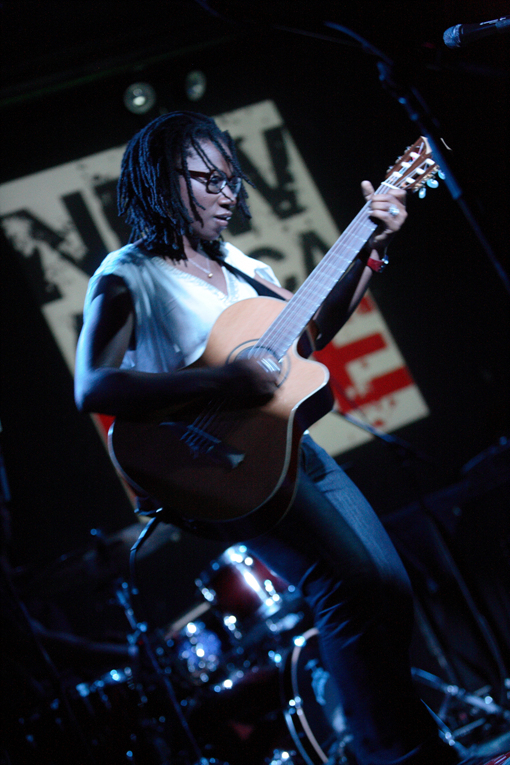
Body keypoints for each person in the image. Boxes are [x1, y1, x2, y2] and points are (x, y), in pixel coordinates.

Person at [74, 111, 459, 765]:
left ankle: (402, 742)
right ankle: (397, 752)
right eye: (208, 178)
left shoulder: (238, 264)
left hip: (281, 445)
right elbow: (93, 386)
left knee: (388, 582)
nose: (228, 193)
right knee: (347, 582)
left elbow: (309, 335)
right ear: (164, 180)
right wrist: (225, 376)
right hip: (210, 459)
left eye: (232, 179)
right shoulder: (128, 271)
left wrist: (372, 249)